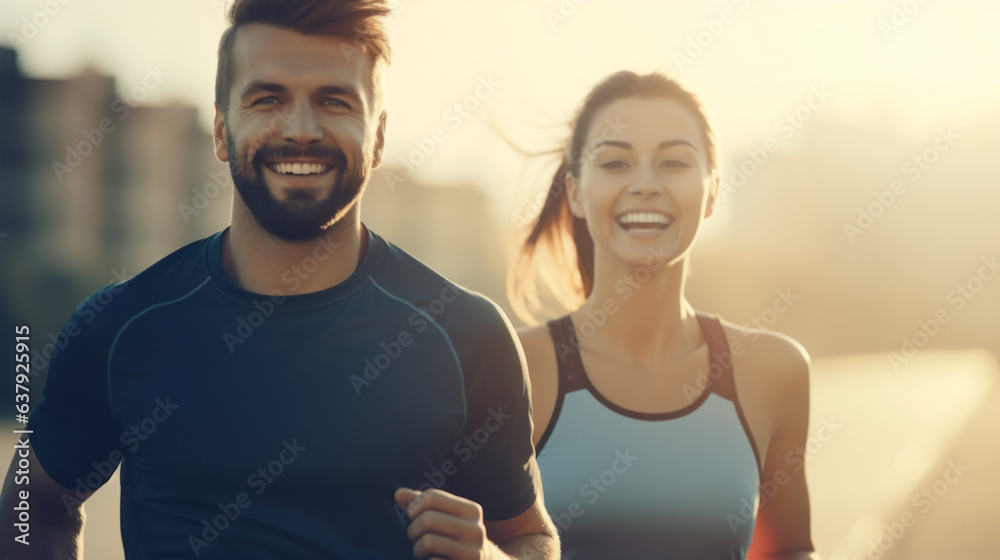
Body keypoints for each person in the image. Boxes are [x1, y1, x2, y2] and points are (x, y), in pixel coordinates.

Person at [0, 1, 558, 558]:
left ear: (379, 135)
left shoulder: (466, 334)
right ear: (221, 129)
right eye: (268, 99)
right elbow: (35, 504)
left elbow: (529, 537)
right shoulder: (121, 325)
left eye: (334, 101)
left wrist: (488, 556)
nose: (300, 130)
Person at [510, 71, 819, 559]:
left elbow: (789, 551)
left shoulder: (775, 370)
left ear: (712, 190)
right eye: (615, 163)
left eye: (673, 162)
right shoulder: (514, 367)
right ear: (574, 193)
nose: (646, 185)